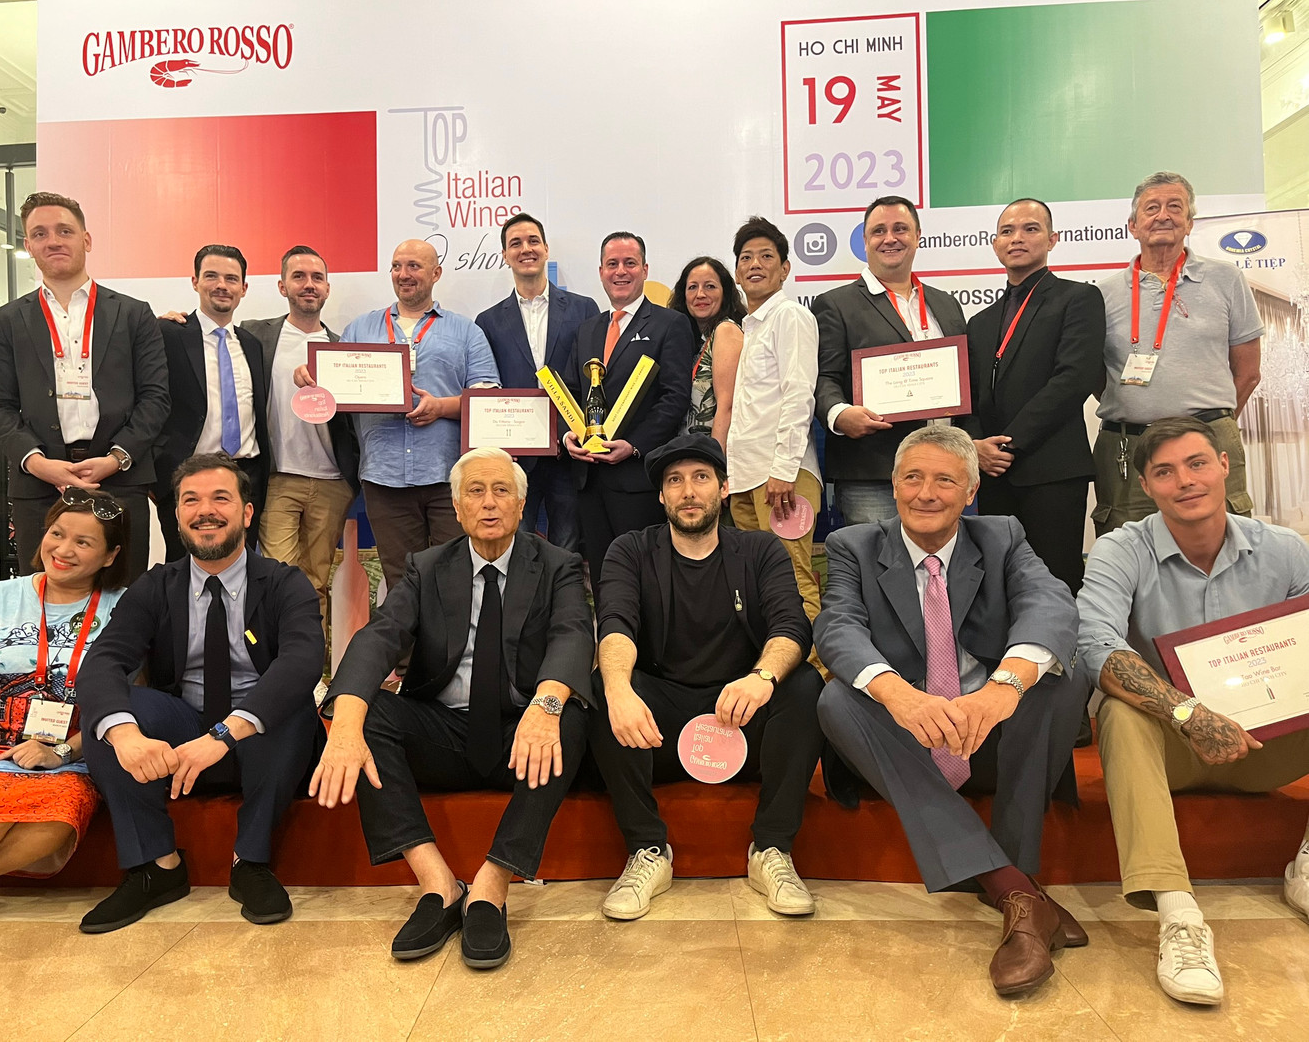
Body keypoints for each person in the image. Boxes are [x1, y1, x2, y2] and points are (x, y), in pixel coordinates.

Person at [815, 425, 1089, 996]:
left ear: (970, 492)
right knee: (838, 698)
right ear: (893, 485)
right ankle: (1016, 890)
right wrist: (898, 693)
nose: (926, 493)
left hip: (989, 734)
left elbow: (1052, 605)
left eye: (945, 480)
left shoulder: (1003, 536)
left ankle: (1011, 869)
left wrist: (1002, 689)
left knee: (1065, 676)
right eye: (912, 478)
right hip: (908, 741)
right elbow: (837, 626)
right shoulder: (852, 546)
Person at [311, 447, 593, 970]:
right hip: (442, 731)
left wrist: (546, 703)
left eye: (501, 490)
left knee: (570, 716)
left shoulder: (557, 565)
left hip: (521, 734)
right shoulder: (426, 567)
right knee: (370, 714)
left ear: (522, 504)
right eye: (475, 492)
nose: (489, 503)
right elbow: (380, 637)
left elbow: (573, 634)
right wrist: (344, 723)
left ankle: (492, 886)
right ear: (457, 509)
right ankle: (438, 885)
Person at [1077, 416, 1309, 1006]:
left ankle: (1307, 866)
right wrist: (1188, 714)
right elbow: (1095, 645)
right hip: (1171, 750)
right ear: (1146, 485)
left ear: (1224, 466)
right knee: (1120, 712)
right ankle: (1179, 917)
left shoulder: (1285, 550)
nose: (1185, 481)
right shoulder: (1121, 548)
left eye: (1197, 463)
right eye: (1165, 472)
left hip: (1266, 747)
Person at [75, 453, 324, 933]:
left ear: (247, 513)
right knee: (110, 713)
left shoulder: (284, 583)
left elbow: (301, 663)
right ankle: (156, 867)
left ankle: (250, 863)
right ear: (178, 515)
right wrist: (125, 734)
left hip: (261, 741)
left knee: (289, 703)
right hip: (182, 735)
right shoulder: (155, 586)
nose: (205, 510)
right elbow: (103, 661)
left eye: (220, 499)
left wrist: (225, 734)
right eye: (191, 500)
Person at [589, 433, 824, 920]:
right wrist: (618, 689)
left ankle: (772, 850)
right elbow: (615, 625)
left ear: (724, 488)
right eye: (675, 481)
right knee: (604, 686)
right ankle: (648, 851)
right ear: (661, 496)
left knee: (803, 684)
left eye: (701, 477)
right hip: (658, 724)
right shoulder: (630, 549)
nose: (688, 491)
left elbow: (791, 625)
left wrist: (761, 677)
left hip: (741, 713)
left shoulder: (761, 549)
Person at [0, 490, 127, 940]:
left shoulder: (123, 608)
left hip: (78, 753)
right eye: (57, 534)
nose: (64, 550)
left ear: (110, 555)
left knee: (57, 819)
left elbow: (133, 703)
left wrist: (63, 751)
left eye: (84, 542)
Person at [0, 191, 169, 582]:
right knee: (45, 596)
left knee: (122, 597)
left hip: (118, 478)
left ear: (86, 239)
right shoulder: (7, 320)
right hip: (39, 484)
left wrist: (116, 458)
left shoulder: (133, 314)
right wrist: (38, 464)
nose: (53, 241)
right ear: (28, 245)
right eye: (40, 233)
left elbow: (155, 398)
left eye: (64, 231)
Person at [1092, 172, 1263, 536]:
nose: (1163, 216)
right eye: (1151, 208)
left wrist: (1212, 423)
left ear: (1189, 223)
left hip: (1209, 440)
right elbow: (1094, 374)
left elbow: (1248, 372)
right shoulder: (1102, 294)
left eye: (1175, 207)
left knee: (1222, 543)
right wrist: (1136, 405)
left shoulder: (1227, 279)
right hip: (1127, 446)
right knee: (1128, 546)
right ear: (1133, 226)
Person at [335, 239, 500, 594]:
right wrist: (312, 379)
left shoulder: (466, 331)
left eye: (414, 266)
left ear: (436, 273)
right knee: (401, 585)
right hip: (384, 479)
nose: (403, 274)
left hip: (448, 478)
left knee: (455, 581)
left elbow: (488, 400)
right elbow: (337, 388)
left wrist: (441, 407)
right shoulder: (360, 329)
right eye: (396, 266)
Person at [962, 199, 1105, 596]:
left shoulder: (1078, 299)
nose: (1017, 238)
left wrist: (1007, 444)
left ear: (1052, 239)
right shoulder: (980, 322)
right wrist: (976, 446)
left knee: (1054, 583)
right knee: (999, 585)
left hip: (1051, 469)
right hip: (992, 472)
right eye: (1007, 231)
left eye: (1030, 229)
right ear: (994, 244)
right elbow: (968, 395)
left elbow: (1073, 380)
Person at [813, 195, 966, 526]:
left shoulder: (946, 304)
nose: (890, 238)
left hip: (945, 469)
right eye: (879, 231)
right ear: (865, 241)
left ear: (917, 236)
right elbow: (824, 377)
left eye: (900, 229)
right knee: (878, 557)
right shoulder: (835, 304)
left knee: (939, 557)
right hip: (874, 472)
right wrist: (840, 414)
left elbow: (965, 380)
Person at [564, 233, 698, 599]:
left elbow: (674, 398)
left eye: (629, 263)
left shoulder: (670, 324)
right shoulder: (588, 329)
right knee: (603, 580)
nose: (620, 271)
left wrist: (635, 445)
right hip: (589, 479)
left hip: (637, 478)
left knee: (646, 579)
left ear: (645, 270)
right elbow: (571, 393)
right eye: (612, 264)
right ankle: (610, 636)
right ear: (601, 272)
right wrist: (567, 435)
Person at [240, 246, 360, 627]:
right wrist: (173, 324)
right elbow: (208, 342)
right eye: (299, 277)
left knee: (315, 584)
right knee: (277, 583)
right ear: (282, 286)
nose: (309, 285)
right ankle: (279, 660)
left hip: (332, 483)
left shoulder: (344, 348)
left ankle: (310, 663)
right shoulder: (254, 335)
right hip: (278, 479)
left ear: (327, 289)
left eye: (317, 278)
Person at [475, 214, 599, 552]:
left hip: (570, 452)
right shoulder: (487, 321)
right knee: (516, 548)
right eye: (515, 243)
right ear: (505, 255)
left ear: (546, 248)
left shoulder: (584, 309)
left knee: (568, 548)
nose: (525, 249)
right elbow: (488, 389)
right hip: (515, 457)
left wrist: (575, 433)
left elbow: (594, 381)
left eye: (533, 241)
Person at [726, 216, 824, 632]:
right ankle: (776, 661)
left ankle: (813, 666)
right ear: (736, 273)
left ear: (785, 269)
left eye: (766, 256)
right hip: (746, 478)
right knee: (759, 585)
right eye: (746, 257)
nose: (755, 264)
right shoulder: (749, 328)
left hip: (782, 478)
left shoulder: (790, 317)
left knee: (794, 580)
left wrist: (784, 470)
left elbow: (799, 395)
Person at [154, 245, 270, 559]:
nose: (222, 285)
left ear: (244, 288)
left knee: (241, 568)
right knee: (184, 568)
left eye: (231, 279)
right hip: (187, 475)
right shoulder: (168, 333)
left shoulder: (251, 343)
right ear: (195, 282)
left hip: (245, 475)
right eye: (211, 276)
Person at [666, 255, 745, 443]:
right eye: (692, 287)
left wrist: (715, 457)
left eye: (710, 286)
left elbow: (727, 408)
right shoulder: (692, 342)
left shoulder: (726, 330)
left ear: (725, 292)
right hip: (686, 451)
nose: (700, 294)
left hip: (712, 452)